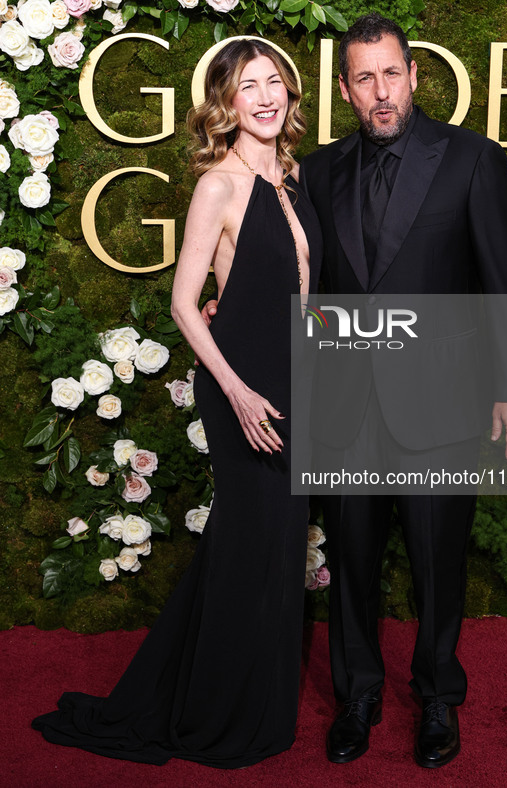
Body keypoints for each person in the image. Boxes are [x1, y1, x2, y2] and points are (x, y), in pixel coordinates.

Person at [32, 38, 321, 769]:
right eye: (247, 86)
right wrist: (237, 390)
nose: (264, 96)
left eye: (273, 83)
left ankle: (247, 703)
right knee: (248, 551)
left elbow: (301, 292)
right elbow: (185, 305)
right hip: (241, 389)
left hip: (293, 383)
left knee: (270, 554)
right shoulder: (217, 186)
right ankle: (212, 716)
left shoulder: (293, 177)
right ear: (224, 104)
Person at [297, 14, 507, 770]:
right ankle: (358, 694)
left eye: (390, 73)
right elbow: (298, 283)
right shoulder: (319, 169)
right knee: (353, 561)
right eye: (363, 78)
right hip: (346, 403)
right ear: (344, 89)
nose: (380, 90)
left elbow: (501, 284)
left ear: (414, 75)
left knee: (438, 559)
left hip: (441, 402)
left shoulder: (471, 158)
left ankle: (437, 696)